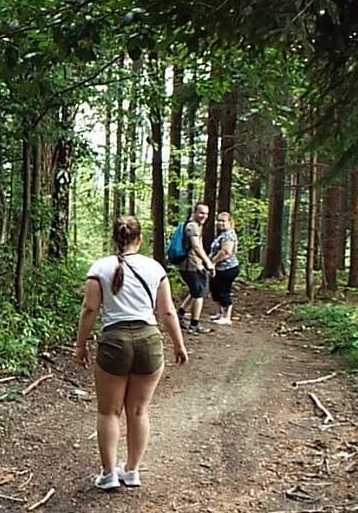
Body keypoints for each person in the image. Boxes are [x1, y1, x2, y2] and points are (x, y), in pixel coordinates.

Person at [74, 215, 190, 490]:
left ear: (115, 238)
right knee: (138, 411)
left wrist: (80, 344)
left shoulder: (100, 267)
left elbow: (90, 309)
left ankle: (108, 474)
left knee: (109, 412)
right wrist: (178, 343)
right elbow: (167, 310)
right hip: (149, 340)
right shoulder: (155, 268)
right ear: (140, 239)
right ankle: (132, 471)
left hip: (114, 341)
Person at [169, 201, 215, 332]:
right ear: (194, 212)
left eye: (206, 214)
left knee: (195, 292)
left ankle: (180, 314)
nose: (204, 216)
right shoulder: (193, 227)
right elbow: (196, 247)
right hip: (191, 266)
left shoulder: (191, 226)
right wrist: (208, 263)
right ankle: (195, 324)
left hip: (191, 265)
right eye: (201, 213)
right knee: (199, 294)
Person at [209, 210, 241, 325]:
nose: (220, 223)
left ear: (229, 222)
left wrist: (212, 262)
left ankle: (227, 317)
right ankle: (220, 313)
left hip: (228, 268)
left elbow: (226, 252)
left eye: (223, 221)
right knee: (215, 290)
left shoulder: (229, 234)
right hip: (219, 268)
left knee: (224, 291)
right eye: (219, 220)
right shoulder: (222, 234)